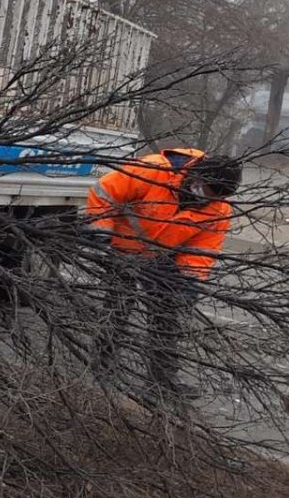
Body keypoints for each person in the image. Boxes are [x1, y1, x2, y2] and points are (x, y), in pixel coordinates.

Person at [85, 148, 241, 398]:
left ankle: (162, 381)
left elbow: (201, 250)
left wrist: (189, 282)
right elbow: (104, 191)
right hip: (122, 248)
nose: (207, 199)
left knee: (168, 315)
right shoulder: (154, 170)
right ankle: (102, 365)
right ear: (197, 177)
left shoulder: (218, 209)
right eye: (207, 192)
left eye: (215, 197)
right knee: (119, 307)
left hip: (162, 258)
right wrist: (101, 232)